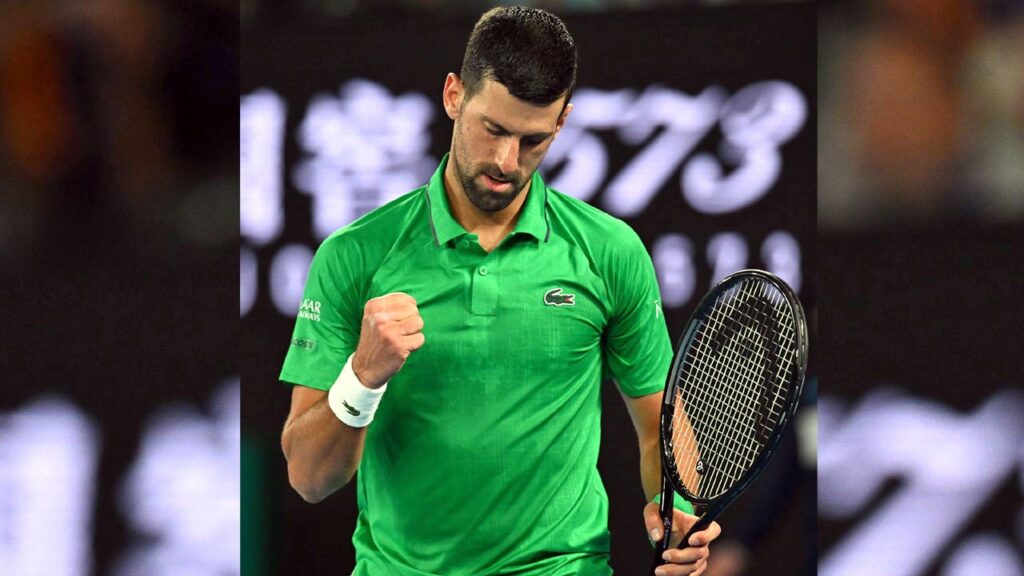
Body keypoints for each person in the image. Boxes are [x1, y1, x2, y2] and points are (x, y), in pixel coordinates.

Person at [279, 6, 721, 575]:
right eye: (493, 129)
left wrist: (678, 509)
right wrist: (362, 376)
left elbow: (659, 427)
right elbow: (309, 479)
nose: (506, 162)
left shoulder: (610, 252)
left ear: (562, 122)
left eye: (533, 139)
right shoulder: (355, 256)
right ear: (454, 95)